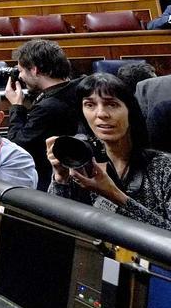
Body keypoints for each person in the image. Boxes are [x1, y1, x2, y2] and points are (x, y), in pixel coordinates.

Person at [47, 74, 171, 231]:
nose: (101, 114)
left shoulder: (163, 167)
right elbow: (57, 228)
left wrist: (114, 195)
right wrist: (60, 178)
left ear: (130, 111)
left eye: (111, 104)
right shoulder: (81, 161)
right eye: (90, 105)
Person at [5, 39, 82, 190]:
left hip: (52, 181)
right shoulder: (79, 88)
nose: (20, 76)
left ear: (34, 70)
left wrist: (16, 106)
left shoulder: (46, 108)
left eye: (20, 71)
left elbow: (17, 144)